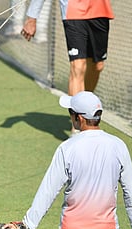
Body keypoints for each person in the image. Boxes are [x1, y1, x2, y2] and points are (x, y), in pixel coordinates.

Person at [6, 91, 132, 229]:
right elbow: (130, 191)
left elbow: (48, 190)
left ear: (79, 118)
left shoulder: (67, 148)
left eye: (70, 112)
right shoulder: (118, 146)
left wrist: (27, 225)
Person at [21, 0, 113, 133]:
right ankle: (77, 127)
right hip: (73, 11)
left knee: (97, 66)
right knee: (78, 66)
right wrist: (32, 18)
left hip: (100, 11)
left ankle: (85, 108)